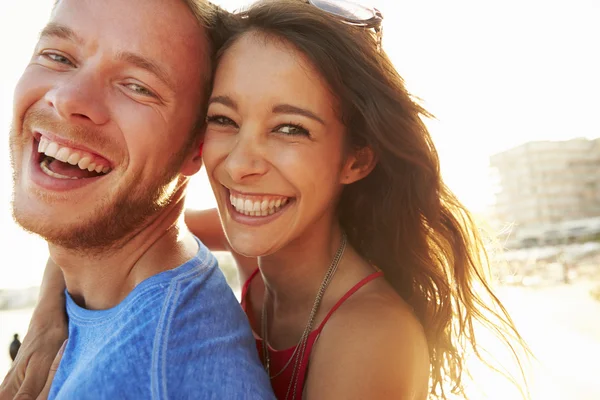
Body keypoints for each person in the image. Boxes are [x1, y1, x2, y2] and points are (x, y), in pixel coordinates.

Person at [3, 0, 530, 399]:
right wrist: (51, 318)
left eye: (290, 129)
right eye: (224, 120)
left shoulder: (369, 334)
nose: (239, 164)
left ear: (356, 160)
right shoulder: (263, 245)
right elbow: (112, 213)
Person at [1, 0, 273, 399]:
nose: (69, 98)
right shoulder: (130, 275)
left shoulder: (149, 376)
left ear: (198, 147)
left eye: (138, 86)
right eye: (58, 56)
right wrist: (48, 307)